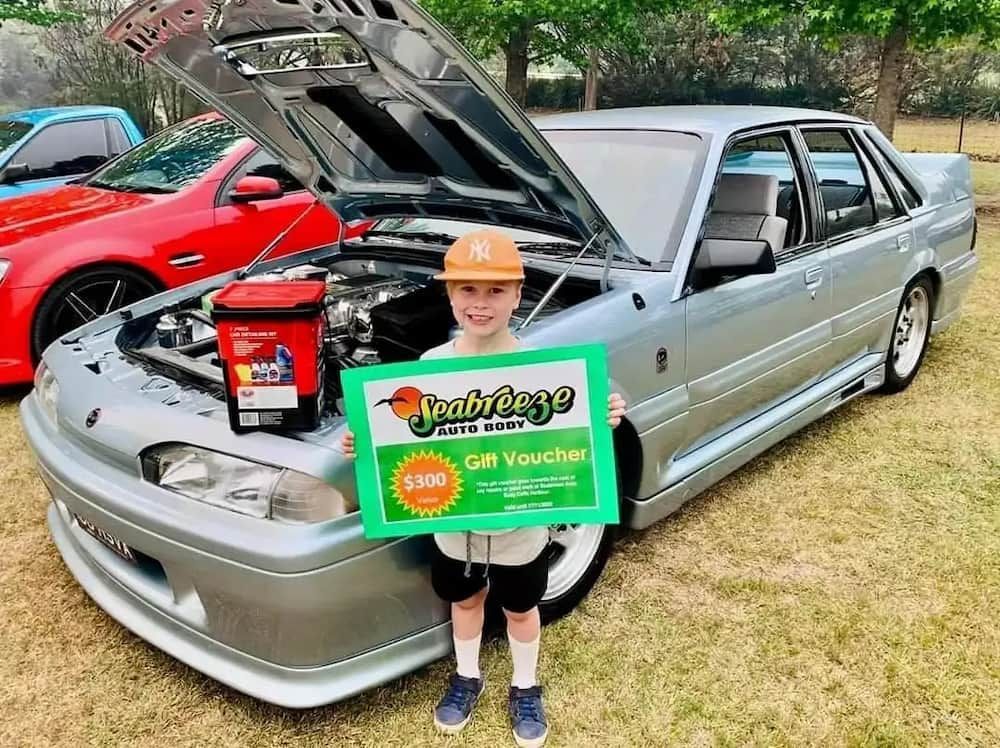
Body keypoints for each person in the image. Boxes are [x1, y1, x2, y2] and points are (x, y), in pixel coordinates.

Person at [340, 228, 627, 748]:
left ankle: (525, 684)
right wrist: (365, 445)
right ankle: (467, 676)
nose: (480, 303)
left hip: (521, 524)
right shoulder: (430, 368)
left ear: (518, 295)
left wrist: (603, 416)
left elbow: (581, 424)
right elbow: (399, 439)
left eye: (496, 290)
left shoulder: (542, 371)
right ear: (449, 296)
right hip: (456, 524)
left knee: (520, 607)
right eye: (468, 290)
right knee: (465, 600)